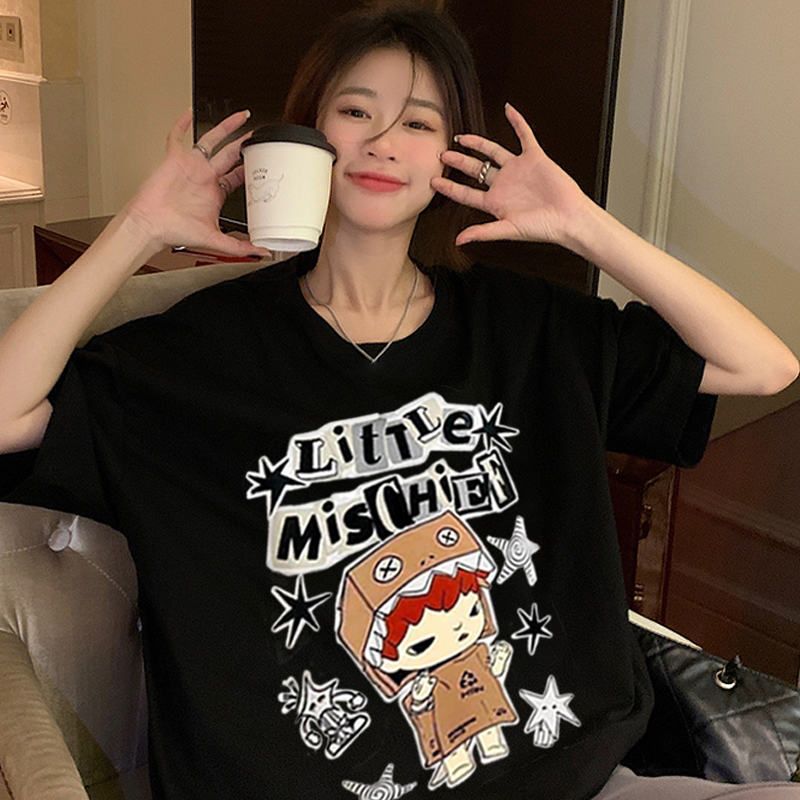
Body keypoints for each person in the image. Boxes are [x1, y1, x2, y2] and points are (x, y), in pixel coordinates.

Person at [0, 5, 798, 800]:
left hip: (574, 779)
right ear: (310, 135)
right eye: (356, 112)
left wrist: (583, 226)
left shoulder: (526, 329)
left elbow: (762, 366)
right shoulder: (198, 357)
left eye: (419, 123)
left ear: (454, 153)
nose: (384, 142)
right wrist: (139, 228)